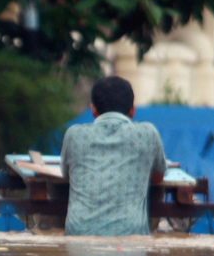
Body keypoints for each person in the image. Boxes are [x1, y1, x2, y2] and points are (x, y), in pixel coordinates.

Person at [59, 75, 166, 236]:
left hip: (79, 235)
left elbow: (66, 174)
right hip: (131, 235)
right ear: (132, 110)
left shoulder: (74, 135)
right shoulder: (148, 134)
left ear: (93, 109)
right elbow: (158, 177)